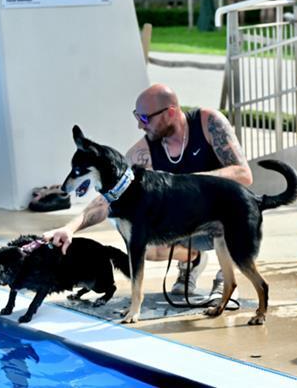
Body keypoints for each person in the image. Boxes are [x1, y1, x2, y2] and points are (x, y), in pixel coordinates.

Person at [44, 84, 252, 305]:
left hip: (223, 217)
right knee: (143, 243)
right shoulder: (143, 153)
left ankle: (226, 279)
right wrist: (70, 228)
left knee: (228, 213)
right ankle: (193, 260)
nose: (139, 125)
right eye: (137, 117)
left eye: (144, 118)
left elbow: (243, 175)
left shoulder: (207, 123)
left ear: (170, 112)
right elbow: (107, 198)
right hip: (186, 223)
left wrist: (191, 185)